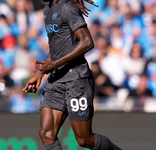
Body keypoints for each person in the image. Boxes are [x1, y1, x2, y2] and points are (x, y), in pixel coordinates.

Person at [23, 0, 122, 150]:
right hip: (56, 79)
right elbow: (57, 47)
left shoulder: (68, 8)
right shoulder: (47, 10)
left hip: (76, 79)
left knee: (85, 140)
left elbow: (87, 41)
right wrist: (40, 72)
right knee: (46, 133)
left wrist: (56, 64)